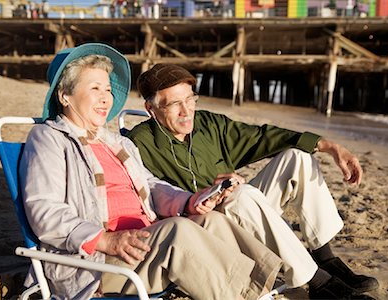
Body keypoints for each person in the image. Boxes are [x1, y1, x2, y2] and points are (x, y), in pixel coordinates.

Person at [19, 43, 283, 299]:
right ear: (65, 95)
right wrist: (106, 241)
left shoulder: (117, 143)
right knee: (178, 231)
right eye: (95, 88)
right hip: (97, 263)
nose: (105, 98)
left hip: (143, 244)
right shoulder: (49, 139)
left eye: (108, 89)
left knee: (211, 220)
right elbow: (45, 211)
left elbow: (151, 186)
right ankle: (242, 295)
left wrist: (190, 201)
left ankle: (262, 288)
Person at [128, 64, 380, 299]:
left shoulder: (207, 124)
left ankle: (326, 258)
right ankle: (318, 282)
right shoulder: (138, 143)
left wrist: (329, 146)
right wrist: (204, 198)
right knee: (241, 194)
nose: (186, 111)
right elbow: (149, 199)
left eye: (190, 99)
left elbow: (262, 137)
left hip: (247, 214)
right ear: (152, 109)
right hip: (207, 230)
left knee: (297, 157)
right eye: (174, 104)